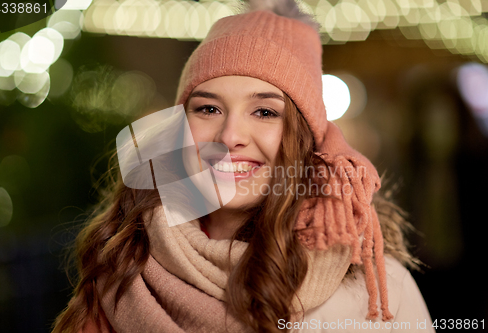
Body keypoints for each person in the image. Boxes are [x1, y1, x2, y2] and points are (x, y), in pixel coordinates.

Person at [52, 0, 434, 332]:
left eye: (265, 112)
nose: (230, 134)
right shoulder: (122, 263)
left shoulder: (376, 291)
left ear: (304, 141)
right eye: (208, 108)